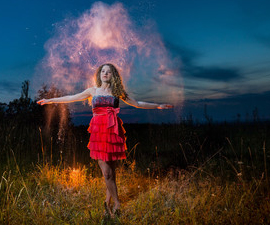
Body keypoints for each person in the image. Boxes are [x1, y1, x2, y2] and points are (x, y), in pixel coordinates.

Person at [37, 63, 173, 217]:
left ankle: (106, 203)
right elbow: (70, 98)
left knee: (112, 172)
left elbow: (138, 103)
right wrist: (50, 101)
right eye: (103, 71)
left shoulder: (117, 92)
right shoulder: (92, 91)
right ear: (99, 74)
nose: (105, 74)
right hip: (98, 133)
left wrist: (158, 106)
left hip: (113, 132)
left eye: (108, 71)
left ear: (113, 75)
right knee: (107, 173)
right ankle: (117, 203)